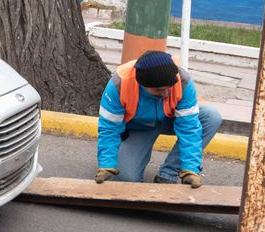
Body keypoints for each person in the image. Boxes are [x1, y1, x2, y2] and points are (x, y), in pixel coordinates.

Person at [94, 50, 223, 188]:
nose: (167, 93)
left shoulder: (182, 81)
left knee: (211, 116)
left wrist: (191, 168)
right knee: (127, 180)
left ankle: (168, 174)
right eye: (159, 90)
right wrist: (107, 165)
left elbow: (189, 127)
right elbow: (109, 128)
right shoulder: (119, 84)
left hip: (171, 119)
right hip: (139, 127)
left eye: (169, 88)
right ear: (142, 84)